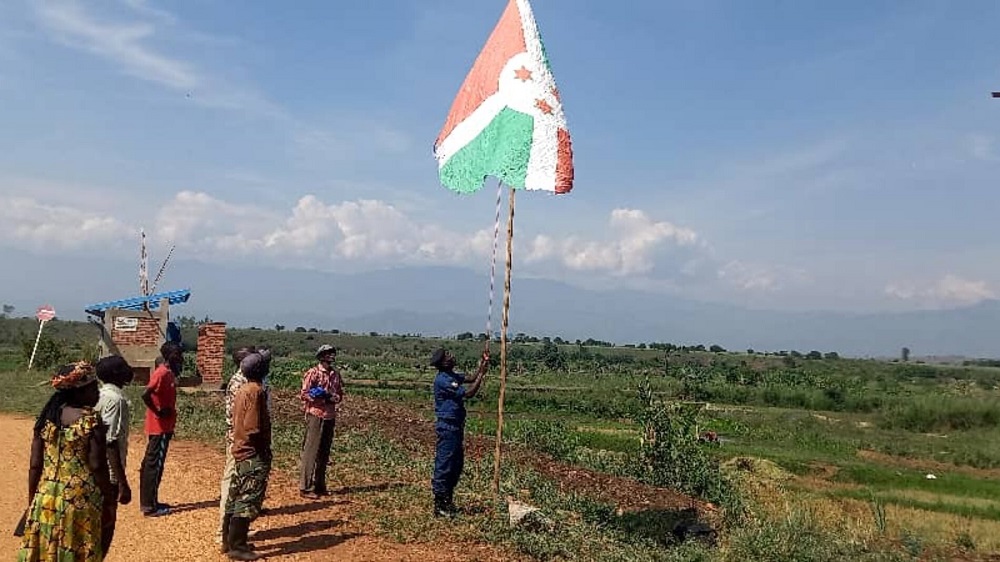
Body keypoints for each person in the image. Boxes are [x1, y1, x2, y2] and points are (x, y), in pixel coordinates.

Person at [17, 362, 117, 562]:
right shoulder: (91, 420)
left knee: (47, 550)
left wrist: (33, 501)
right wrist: (109, 499)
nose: (97, 393)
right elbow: (97, 465)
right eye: (93, 388)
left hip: (46, 497)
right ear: (79, 392)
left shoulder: (46, 419)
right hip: (80, 500)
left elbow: (35, 465)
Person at [223, 350, 273, 561]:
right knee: (248, 499)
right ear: (262, 370)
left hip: (239, 448)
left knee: (235, 497)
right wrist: (264, 450)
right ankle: (238, 547)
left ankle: (229, 540)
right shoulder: (256, 391)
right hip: (252, 452)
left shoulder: (242, 388)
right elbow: (253, 427)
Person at [430, 347, 490, 517]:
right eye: (447, 356)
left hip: (456, 426)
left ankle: (448, 500)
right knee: (445, 464)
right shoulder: (443, 380)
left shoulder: (451, 375)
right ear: (442, 363)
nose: (451, 356)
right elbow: (469, 393)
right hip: (447, 427)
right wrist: (482, 375)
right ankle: (440, 503)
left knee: (456, 465)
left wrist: (481, 366)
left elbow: (469, 378)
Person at [94, 355, 135, 555]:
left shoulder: (100, 395)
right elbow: (110, 442)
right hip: (108, 475)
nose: (129, 370)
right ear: (116, 374)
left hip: (95, 469)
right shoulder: (116, 400)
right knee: (106, 525)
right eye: (124, 367)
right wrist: (122, 482)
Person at [139, 341, 182, 517]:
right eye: (178, 354)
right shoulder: (162, 373)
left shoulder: (169, 372)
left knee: (155, 464)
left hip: (164, 426)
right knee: (154, 465)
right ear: (170, 356)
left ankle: (152, 501)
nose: (181, 357)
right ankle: (149, 506)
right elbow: (145, 394)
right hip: (160, 427)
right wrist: (158, 411)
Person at [218, 346, 255, 545]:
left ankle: (232, 531)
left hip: (241, 441)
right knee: (231, 485)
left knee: (238, 485)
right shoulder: (239, 384)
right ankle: (223, 534)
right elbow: (240, 419)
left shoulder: (245, 382)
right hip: (238, 442)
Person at [298, 344, 344, 499]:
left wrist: (334, 398)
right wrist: (319, 397)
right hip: (316, 414)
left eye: (333, 353)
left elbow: (339, 394)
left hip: (330, 415)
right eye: (329, 353)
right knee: (311, 451)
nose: (332, 356)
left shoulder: (335, 375)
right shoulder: (313, 373)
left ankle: (320, 484)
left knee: (324, 452)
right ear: (322, 356)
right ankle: (305, 486)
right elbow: (304, 394)